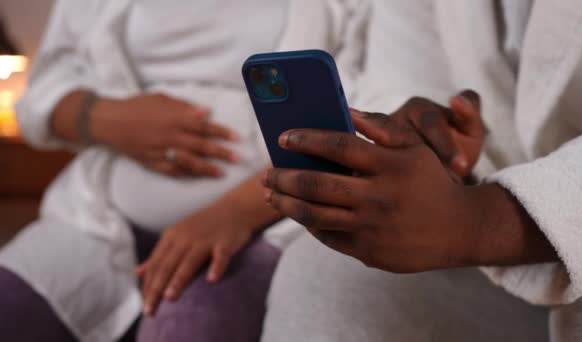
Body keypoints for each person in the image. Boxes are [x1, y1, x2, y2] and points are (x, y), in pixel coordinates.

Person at [0, 0, 369, 341]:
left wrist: (236, 212)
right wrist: (106, 119)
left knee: (188, 327)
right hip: (100, 217)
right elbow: (41, 96)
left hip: (268, 225)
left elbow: (376, 115)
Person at [261, 1, 582, 341]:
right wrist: (433, 150)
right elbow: (407, 68)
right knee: (323, 276)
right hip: (497, 242)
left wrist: (476, 220)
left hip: (578, 229)